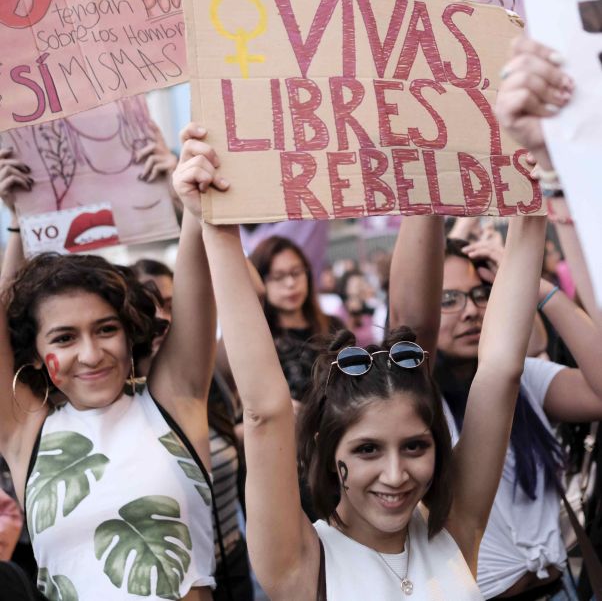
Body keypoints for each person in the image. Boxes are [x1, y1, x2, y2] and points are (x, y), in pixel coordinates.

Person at [172, 124, 546, 601]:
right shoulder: (300, 563)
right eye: (368, 450)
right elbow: (265, 409)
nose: (396, 475)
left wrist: (531, 203)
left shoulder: (454, 527)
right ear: (330, 453)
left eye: (415, 447)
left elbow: (500, 371)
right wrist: (217, 225)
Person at [0, 125, 219, 600]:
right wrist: (17, 221)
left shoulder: (172, 402)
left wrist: (193, 208)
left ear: (130, 333)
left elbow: (198, 281)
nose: (91, 353)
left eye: (105, 328)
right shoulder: (26, 434)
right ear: (36, 357)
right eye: (64, 337)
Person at [494, 36, 602, 601]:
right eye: (449, 299)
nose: (465, 311)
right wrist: (553, 167)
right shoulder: (435, 388)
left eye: (473, 295)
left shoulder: (529, 380)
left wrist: (540, 290)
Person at [133, 257, 254, 601]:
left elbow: (253, 292)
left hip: (234, 565)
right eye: (148, 311)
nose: (162, 320)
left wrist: (202, 219)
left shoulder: (208, 379)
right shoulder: (119, 404)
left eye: (172, 306)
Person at [249, 236, 343, 403]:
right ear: (261, 282)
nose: (291, 283)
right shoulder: (257, 339)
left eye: (296, 272)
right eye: (278, 276)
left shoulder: (334, 327)